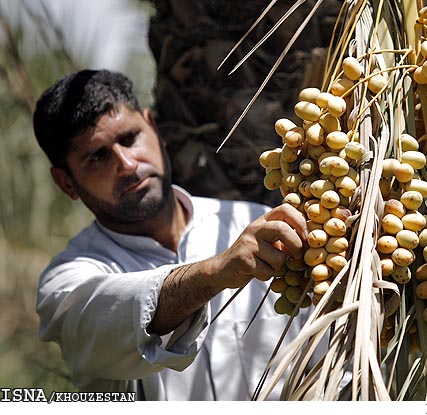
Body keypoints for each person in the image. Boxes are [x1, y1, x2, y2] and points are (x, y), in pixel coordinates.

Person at [33, 69, 310, 400]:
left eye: (129, 138)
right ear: (66, 183)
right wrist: (215, 274)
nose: (127, 164)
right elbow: (105, 316)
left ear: (152, 127)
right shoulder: (67, 283)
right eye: (97, 156)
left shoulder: (254, 223)